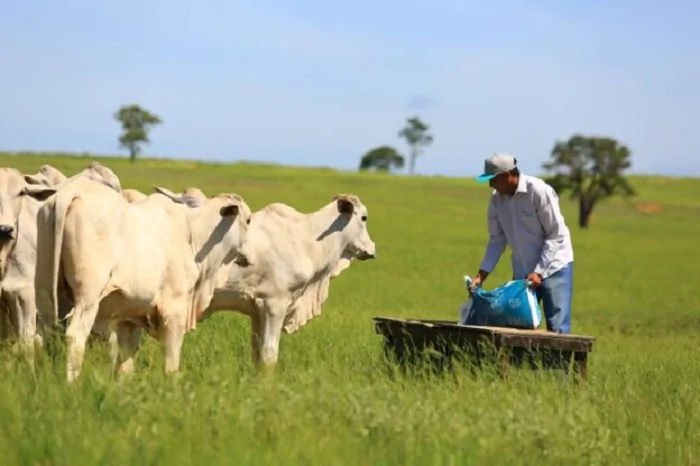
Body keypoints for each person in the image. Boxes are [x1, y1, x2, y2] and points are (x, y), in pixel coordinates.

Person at [469, 153, 574, 333]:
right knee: (518, 326)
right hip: (523, 271)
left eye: (493, 179)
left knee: (556, 329)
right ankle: (524, 362)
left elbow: (556, 234)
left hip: (554, 267)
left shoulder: (539, 191)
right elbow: (497, 240)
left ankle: (557, 363)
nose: (490, 184)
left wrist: (539, 272)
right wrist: (481, 276)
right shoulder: (497, 199)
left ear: (508, 174)